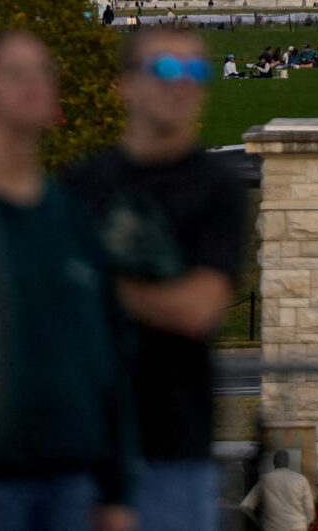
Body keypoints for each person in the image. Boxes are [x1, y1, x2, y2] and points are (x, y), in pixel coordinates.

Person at [69, 28, 251, 531]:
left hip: (174, 446)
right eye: (166, 69)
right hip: (79, 445)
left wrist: (91, 282)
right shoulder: (81, 184)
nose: (182, 83)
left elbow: (197, 310)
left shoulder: (220, 189)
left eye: (195, 71)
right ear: (125, 85)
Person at [0, 29, 137, 531]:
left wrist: (116, 488)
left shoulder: (71, 216)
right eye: (15, 73)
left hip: (70, 480)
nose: (33, 84)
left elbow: (106, 358)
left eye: (43, 71)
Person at [238, 450, 314, 531]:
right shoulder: (301, 479)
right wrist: (306, 522)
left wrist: (259, 522)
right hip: (297, 526)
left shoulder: (265, 480)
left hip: (272, 527)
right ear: (288, 462)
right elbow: (309, 507)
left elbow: (245, 506)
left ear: (274, 462)